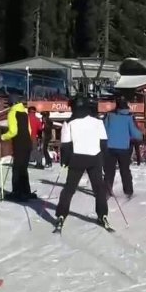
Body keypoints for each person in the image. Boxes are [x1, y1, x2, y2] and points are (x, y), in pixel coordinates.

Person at [54, 99, 110, 231]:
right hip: (95, 158)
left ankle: (61, 214)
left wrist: (65, 161)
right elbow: (103, 143)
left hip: (77, 159)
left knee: (69, 189)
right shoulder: (98, 121)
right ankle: (102, 215)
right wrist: (103, 159)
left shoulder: (68, 123)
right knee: (99, 189)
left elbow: (66, 146)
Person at [1, 97, 39, 202]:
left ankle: (17, 192)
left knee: (17, 169)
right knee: (23, 168)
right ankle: (26, 191)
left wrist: (4, 136)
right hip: (27, 144)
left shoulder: (12, 113)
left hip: (20, 144)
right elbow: (30, 130)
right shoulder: (24, 113)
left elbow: (13, 131)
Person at [103, 97, 142, 196]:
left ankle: (107, 191)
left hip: (110, 147)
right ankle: (128, 191)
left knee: (109, 171)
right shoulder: (129, 117)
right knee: (125, 170)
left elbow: (104, 130)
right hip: (124, 148)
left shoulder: (110, 115)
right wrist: (140, 136)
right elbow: (134, 133)